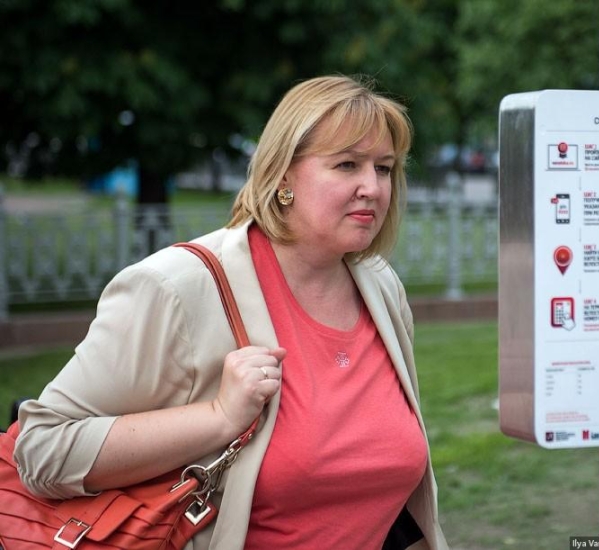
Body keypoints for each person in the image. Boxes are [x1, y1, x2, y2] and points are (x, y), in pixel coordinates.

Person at [14, 75, 450, 550]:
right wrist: (220, 418)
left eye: (384, 168)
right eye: (347, 165)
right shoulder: (178, 288)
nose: (372, 187)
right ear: (283, 174)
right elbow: (42, 450)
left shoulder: (379, 285)